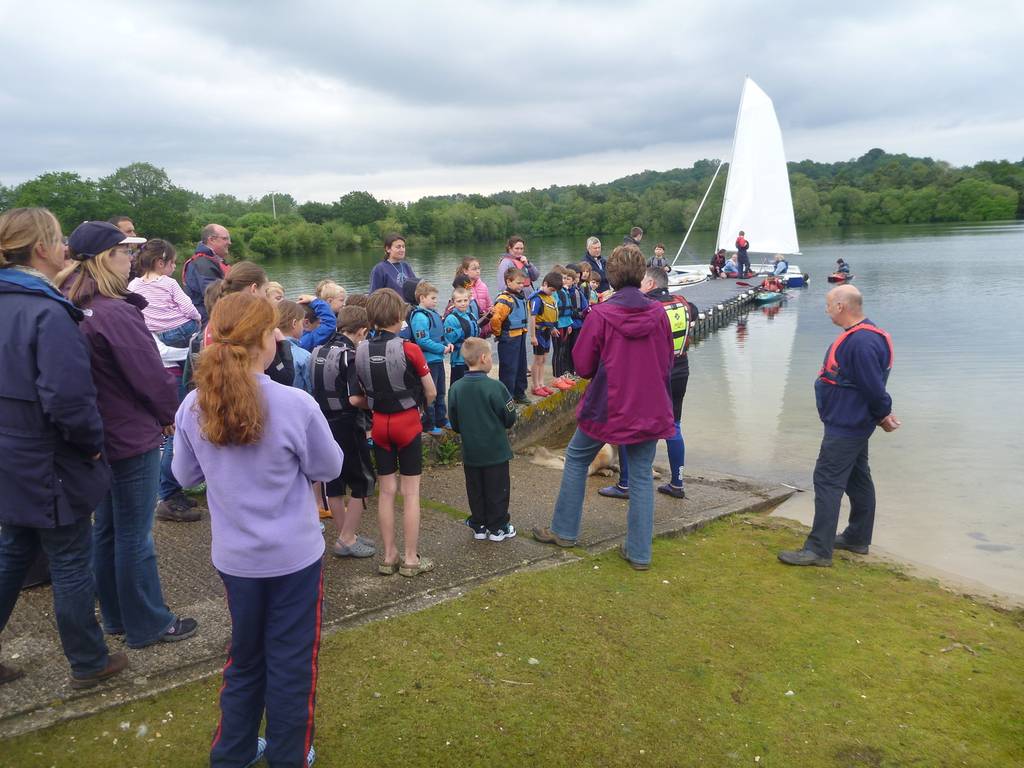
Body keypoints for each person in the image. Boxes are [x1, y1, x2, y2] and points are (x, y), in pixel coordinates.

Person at [172, 292, 342, 768]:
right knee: (291, 659)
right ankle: (288, 755)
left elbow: (184, 476)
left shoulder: (193, 404)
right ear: (264, 341)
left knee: (245, 656)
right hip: (293, 558)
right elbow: (329, 465)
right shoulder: (294, 403)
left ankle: (234, 753)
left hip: (237, 560)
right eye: (274, 331)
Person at [0, 208, 127, 689]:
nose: (65, 250)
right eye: (58, 241)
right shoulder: (45, 311)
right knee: (71, 557)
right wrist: (92, 445)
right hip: (48, 458)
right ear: (40, 249)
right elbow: (67, 399)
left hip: (10, 452)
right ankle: (89, 661)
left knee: (13, 549)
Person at [57, 221, 197, 647]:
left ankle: (117, 616)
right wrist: (167, 413)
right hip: (128, 433)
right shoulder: (116, 312)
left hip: (96, 434)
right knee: (135, 534)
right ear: (105, 258)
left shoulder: (71, 304)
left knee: (107, 529)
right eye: (123, 252)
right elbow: (149, 375)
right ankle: (149, 622)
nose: (130, 260)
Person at [532, 245, 675, 570]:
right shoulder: (657, 314)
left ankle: (564, 531)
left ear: (611, 275)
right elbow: (667, 359)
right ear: (641, 275)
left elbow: (582, 365)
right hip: (648, 404)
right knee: (639, 473)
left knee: (577, 458)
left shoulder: (602, 314)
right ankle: (640, 553)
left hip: (608, 403)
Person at [778, 285, 900, 567]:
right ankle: (857, 537)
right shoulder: (863, 336)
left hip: (848, 425)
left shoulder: (862, 343)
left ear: (842, 307)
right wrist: (880, 414)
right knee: (858, 478)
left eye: (828, 304)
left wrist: (884, 413)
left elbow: (873, 386)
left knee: (827, 480)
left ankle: (819, 549)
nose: (826, 309)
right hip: (852, 422)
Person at [353, 288, 437, 577]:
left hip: (379, 425)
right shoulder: (409, 348)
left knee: (386, 493)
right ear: (399, 315)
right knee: (410, 493)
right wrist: (421, 408)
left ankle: (389, 556)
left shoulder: (360, 349)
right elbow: (431, 390)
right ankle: (411, 559)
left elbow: (358, 396)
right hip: (407, 423)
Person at [600, 267, 695, 500]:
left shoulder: (647, 307)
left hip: (652, 372)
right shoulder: (684, 303)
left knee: (629, 423)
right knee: (674, 426)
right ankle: (677, 482)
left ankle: (625, 484)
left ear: (651, 284)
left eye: (641, 281)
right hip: (681, 368)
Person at [311, 306, 377, 560]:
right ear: (362, 331)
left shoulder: (317, 351)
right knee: (363, 481)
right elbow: (353, 398)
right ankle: (346, 538)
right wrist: (373, 403)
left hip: (323, 423)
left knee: (333, 481)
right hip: (347, 425)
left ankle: (345, 535)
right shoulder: (349, 355)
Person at [448, 338, 518, 541]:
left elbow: (454, 421)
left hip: (471, 450)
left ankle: (478, 524)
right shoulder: (496, 387)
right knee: (498, 489)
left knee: (475, 489)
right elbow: (509, 416)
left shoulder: (456, 388)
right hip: (495, 450)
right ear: (484, 358)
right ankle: (498, 527)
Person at [128, 239, 201, 347]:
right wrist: (198, 318)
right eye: (172, 262)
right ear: (161, 263)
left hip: (156, 334)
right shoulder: (169, 282)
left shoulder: (133, 285)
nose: (175, 266)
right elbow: (187, 307)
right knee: (198, 334)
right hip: (182, 329)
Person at [409, 280, 452, 433]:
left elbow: (440, 334)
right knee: (430, 393)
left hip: (438, 360)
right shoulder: (420, 317)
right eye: (432, 298)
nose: (436, 301)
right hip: (428, 361)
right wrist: (442, 348)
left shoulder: (433, 314)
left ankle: (441, 419)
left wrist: (448, 343)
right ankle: (429, 424)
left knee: (441, 392)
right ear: (422, 298)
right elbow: (422, 340)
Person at [491, 268, 530, 405]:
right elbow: (496, 320)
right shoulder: (504, 300)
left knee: (521, 366)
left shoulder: (520, 296)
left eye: (522, 283)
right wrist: (498, 334)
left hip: (520, 335)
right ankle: (507, 397)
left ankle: (520, 393)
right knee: (509, 368)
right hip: (509, 338)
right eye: (518, 283)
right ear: (508, 281)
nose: (521, 286)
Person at [183, 223, 231, 322]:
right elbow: (214, 298)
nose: (229, 242)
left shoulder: (210, 261)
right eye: (225, 239)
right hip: (207, 320)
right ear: (211, 240)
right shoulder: (203, 264)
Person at [528, 272, 562, 397]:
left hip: (547, 332)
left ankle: (542, 384)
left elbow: (549, 316)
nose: (552, 293)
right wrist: (532, 336)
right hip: (538, 332)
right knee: (538, 359)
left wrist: (552, 328)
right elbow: (532, 317)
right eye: (551, 290)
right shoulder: (537, 299)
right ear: (545, 284)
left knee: (544, 359)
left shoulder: (549, 298)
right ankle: (535, 385)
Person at [444, 286, 480, 386]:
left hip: (472, 357)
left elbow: (477, 332)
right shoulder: (451, 318)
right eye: (459, 301)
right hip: (459, 359)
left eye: (465, 300)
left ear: (469, 300)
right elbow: (450, 338)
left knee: (472, 384)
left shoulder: (471, 315)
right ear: (453, 302)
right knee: (459, 385)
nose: (463, 303)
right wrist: (462, 329)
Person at [276, 300, 313, 392]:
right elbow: (311, 389)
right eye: (302, 323)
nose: (303, 327)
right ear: (294, 323)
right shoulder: (305, 356)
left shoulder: (266, 352)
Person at [550, 266, 579, 386]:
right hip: (558, 326)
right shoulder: (554, 293)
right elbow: (551, 311)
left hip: (566, 324)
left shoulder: (564, 291)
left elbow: (569, 309)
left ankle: (562, 375)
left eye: (565, 278)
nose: (563, 280)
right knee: (557, 352)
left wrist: (570, 323)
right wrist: (552, 327)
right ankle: (557, 377)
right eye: (561, 278)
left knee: (563, 351)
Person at [454, 257, 492, 334]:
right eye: (474, 269)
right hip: (468, 329)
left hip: (482, 326)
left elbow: (489, 305)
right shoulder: (461, 287)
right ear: (465, 271)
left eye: (478, 268)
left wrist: (489, 312)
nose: (478, 271)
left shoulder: (483, 286)